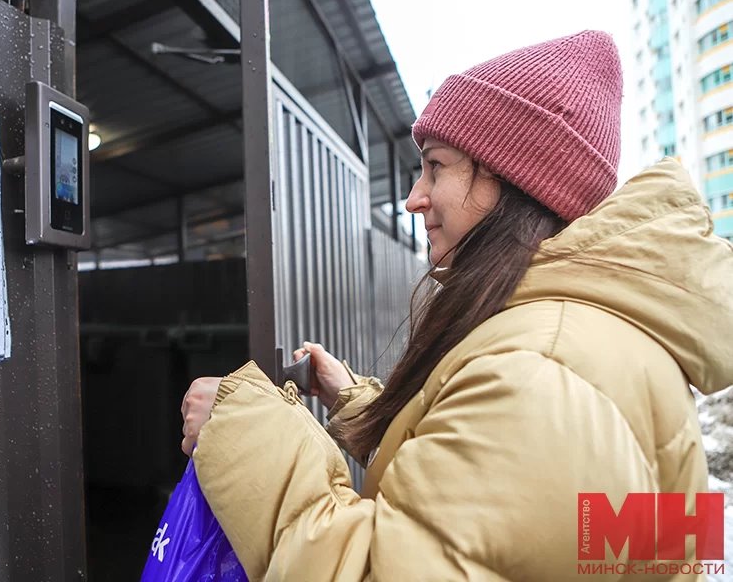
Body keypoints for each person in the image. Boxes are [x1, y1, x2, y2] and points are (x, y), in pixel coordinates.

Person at [180, 30, 733, 580]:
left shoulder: (541, 368)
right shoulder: (600, 338)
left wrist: (242, 431)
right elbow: (544, 535)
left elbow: (378, 570)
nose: (413, 196)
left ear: (513, 177)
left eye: (436, 166)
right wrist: (357, 403)